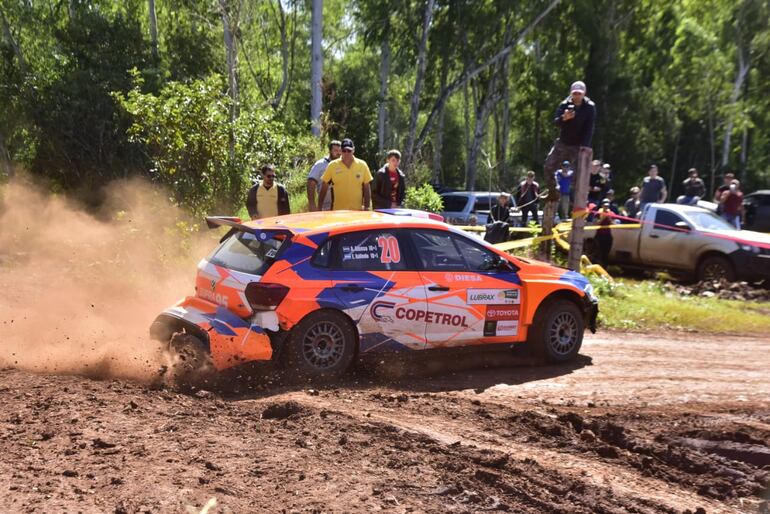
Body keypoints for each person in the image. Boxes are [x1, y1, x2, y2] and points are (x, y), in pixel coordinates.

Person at [542, 81, 596, 205]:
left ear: (584, 94)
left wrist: (585, 146)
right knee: (548, 167)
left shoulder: (590, 107)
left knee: (579, 175)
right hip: (563, 142)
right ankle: (553, 192)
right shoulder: (564, 104)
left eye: (579, 93)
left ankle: (579, 202)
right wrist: (564, 118)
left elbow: (589, 128)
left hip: (579, 145)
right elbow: (555, 122)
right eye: (575, 93)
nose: (577, 96)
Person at [317, 138, 373, 211]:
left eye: (349, 150)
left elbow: (366, 187)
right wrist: (319, 207)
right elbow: (324, 186)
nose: (346, 153)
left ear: (353, 150)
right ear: (340, 151)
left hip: (357, 211)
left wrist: (367, 207)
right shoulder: (332, 165)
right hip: (338, 212)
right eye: (344, 150)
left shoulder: (362, 165)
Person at [307, 140, 341, 211]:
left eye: (339, 150)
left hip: (341, 207)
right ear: (330, 151)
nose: (338, 153)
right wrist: (312, 203)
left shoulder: (343, 165)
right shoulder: (320, 164)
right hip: (325, 207)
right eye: (335, 150)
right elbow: (311, 182)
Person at [595, 198, 614, 268]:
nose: (606, 208)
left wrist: (609, 218)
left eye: (607, 206)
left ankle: (605, 267)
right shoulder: (598, 213)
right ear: (602, 205)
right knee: (599, 253)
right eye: (605, 206)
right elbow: (595, 223)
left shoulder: (611, 213)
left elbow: (614, 224)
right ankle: (599, 267)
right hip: (599, 235)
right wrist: (602, 218)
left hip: (608, 235)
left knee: (606, 253)